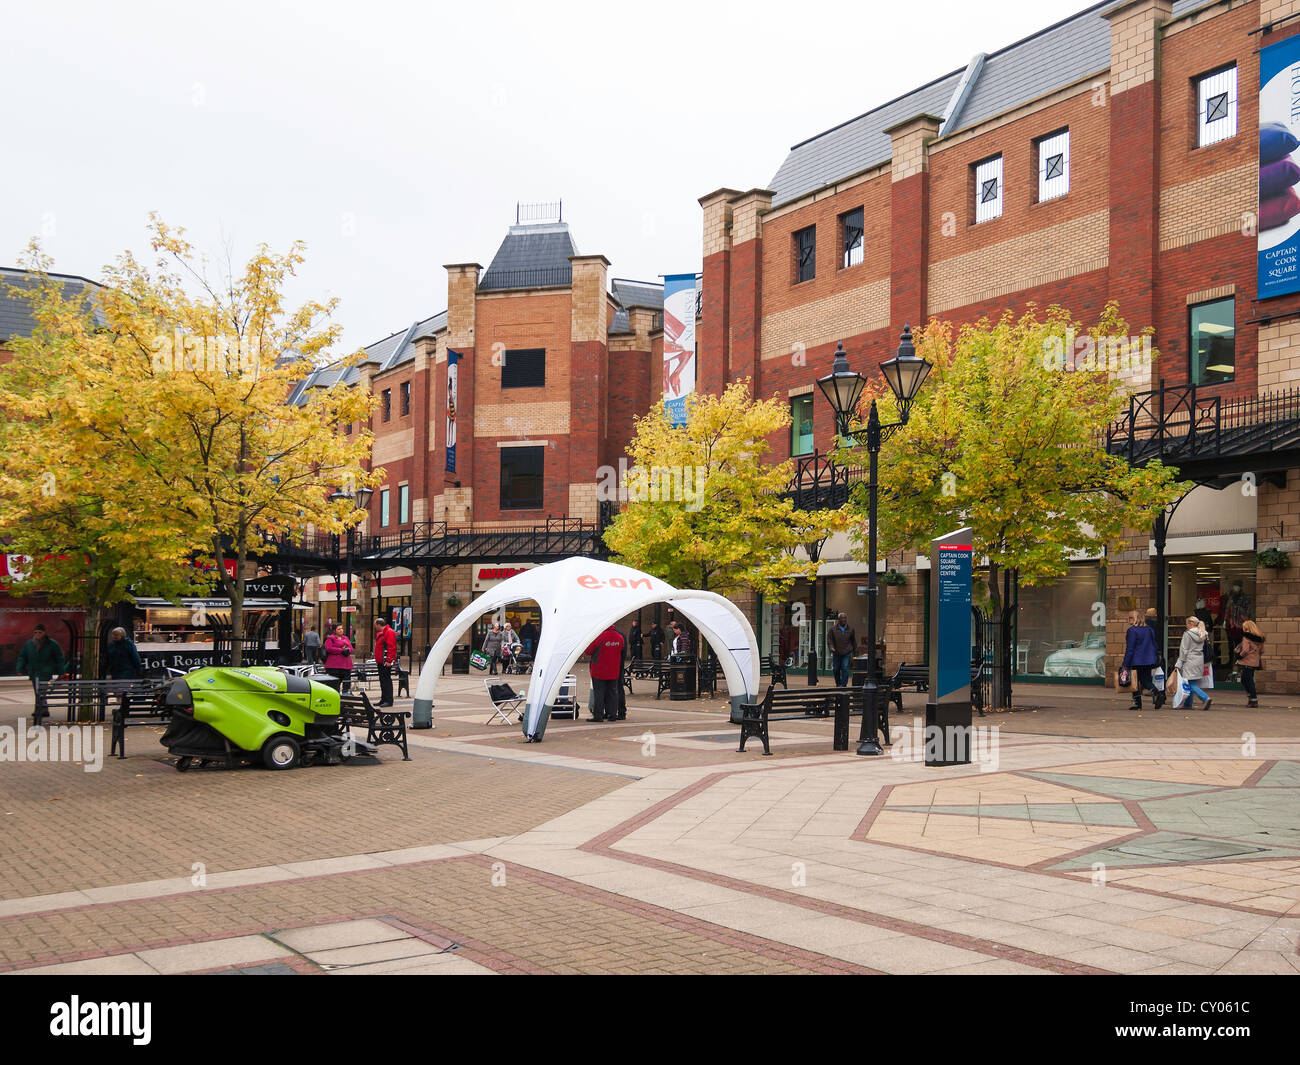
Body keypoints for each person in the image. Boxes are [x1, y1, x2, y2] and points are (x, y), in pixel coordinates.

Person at [16, 624, 66, 724]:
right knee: (38, 691)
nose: (37, 634)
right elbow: (22, 656)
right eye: (35, 632)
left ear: (44, 633)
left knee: (40, 691)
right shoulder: (29, 644)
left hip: (45, 672)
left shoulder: (52, 644)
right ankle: (44, 709)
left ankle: (39, 710)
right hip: (34, 672)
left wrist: (61, 672)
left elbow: (59, 658)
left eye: (40, 632)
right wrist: (20, 668)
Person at [1121, 610, 1162, 710]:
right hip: (1148, 659)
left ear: (1135, 619)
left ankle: (1138, 704)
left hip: (1136, 660)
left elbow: (1130, 649)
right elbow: (1155, 645)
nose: (1128, 620)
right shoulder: (1149, 629)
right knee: (1146, 680)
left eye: (1130, 617)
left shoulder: (1132, 631)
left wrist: (1125, 663)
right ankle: (1157, 692)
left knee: (1134, 682)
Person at [585, 624, 626, 722]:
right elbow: (621, 649)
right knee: (613, 693)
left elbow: (588, 651)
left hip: (599, 670)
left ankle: (598, 716)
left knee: (599, 693)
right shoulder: (619, 637)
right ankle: (612, 715)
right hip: (614, 670)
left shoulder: (600, 636)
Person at [1174, 616, 1212, 711]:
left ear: (1191, 624)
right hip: (1199, 659)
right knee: (1191, 681)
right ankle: (1188, 703)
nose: (1186, 625)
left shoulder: (1188, 634)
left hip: (1189, 660)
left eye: (1187, 623)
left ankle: (1205, 698)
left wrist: (1179, 663)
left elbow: (1184, 650)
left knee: (1189, 683)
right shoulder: (1202, 633)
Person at [1235, 620, 1265, 709]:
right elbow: (1262, 651)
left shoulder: (1246, 637)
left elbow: (1245, 650)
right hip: (1254, 661)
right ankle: (1252, 699)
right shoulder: (1260, 638)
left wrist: (1239, 656)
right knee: (1248, 679)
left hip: (1247, 661)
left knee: (1246, 680)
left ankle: (1253, 699)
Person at [373, 617, 398, 707]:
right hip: (381, 661)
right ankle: (384, 699)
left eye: (375, 625)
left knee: (386, 681)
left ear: (379, 625)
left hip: (385, 661)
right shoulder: (383, 633)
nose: (375, 627)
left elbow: (391, 647)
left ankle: (388, 700)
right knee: (383, 681)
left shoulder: (389, 632)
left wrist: (389, 660)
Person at [828, 612, 857, 687]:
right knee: (836, 669)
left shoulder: (851, 629)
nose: (844, 620)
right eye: (842, 618)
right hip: (836, 652)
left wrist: (855, 653)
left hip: (846, 652)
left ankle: (843, 685)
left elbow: (853, 641)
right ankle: (838, 683)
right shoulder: (832, 629)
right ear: (839, 619)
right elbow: (830, 640)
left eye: (845, 618)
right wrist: (831, 647)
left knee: (845, 668)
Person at [323, 623, 354, 692]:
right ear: (334, 630)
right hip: (334, 665)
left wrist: (347, 650)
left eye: (342, 628)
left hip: (346, 665)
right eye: (339, 629)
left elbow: (351, 648)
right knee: (335, 684)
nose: (341, 630)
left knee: (347, 683)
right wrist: (341, 650)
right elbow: (328, 648)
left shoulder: (345, 638)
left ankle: (346, 696)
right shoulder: (330, 638)